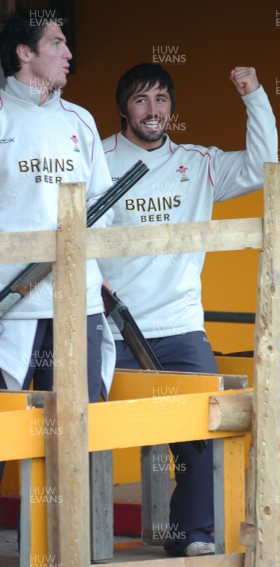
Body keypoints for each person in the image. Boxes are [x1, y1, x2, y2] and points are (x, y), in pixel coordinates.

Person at [99, 62, 277, 557]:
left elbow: (266, 162)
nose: (152, 110)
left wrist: (253, 95)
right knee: (86, 432)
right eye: (141, 100)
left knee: (204, 434)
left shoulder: (199, 162)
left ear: (172, 107)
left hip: (180, 327)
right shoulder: (97, 158)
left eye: (160, 99)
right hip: (111, 330)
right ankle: (85, 545)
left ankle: (191, 535)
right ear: (123, 110)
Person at [0, 8, 115, 482]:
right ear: (25, 53)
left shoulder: (81, 121)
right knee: (5, 428)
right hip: (12, 302)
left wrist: (102, 277)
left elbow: (103, 208)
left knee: (76, 427)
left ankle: (78, 550)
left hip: (78, 300)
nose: (70, 54)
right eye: (56, 44)